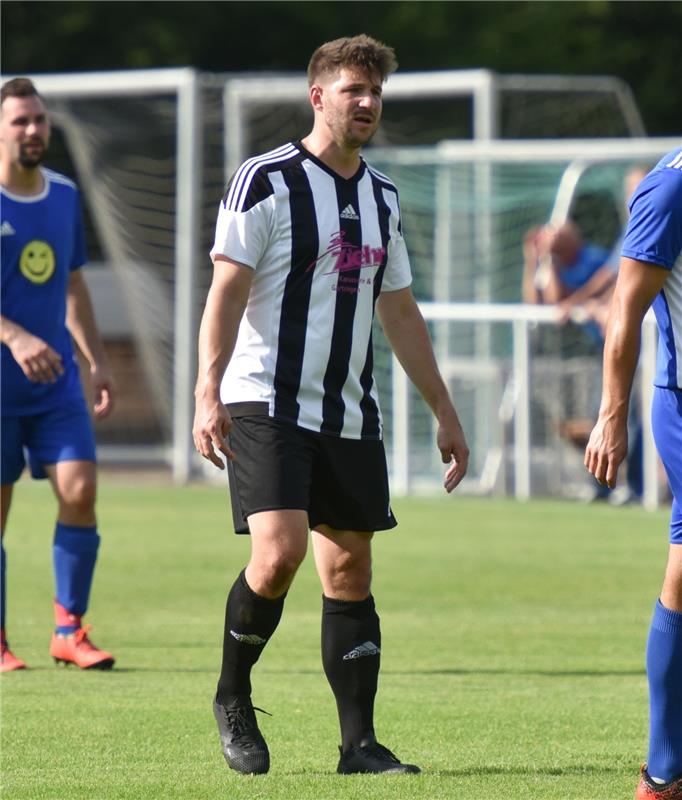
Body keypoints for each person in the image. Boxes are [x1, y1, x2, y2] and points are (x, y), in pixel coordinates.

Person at [193, 34, 469, 776]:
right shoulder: (266, 179)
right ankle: (232, 696)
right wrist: (205, 390)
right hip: (265, 401)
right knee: (278, 554)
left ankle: (359, 747)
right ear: (319, 96)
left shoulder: (382, 196)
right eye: (354, 90)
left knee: (349, 574)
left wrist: (443, 410)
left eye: (376, 92)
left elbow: (400, 310)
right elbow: (225, 293)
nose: (369, 103)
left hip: (349, 411)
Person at [0, 78, 116, 672]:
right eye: (20, 121)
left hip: (57, 388)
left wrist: (94, 361)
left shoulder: (65, 195)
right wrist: (14, 335)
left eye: (39, 120)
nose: (32, 131)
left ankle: (68, 630)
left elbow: (72, 284)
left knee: (80, 490)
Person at [585, 146, 682, 800]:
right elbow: (624, 311)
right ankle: (664, 770)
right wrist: (611, 415)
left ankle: (665, 774)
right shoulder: (671, 187)